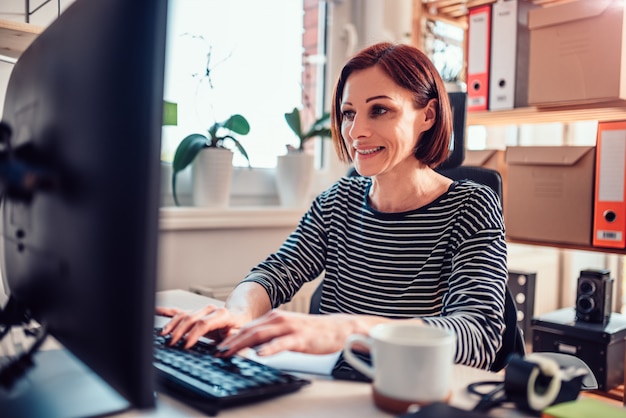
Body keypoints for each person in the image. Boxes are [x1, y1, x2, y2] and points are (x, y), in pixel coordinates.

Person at [157, 41, 507, 371]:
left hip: (409, 393)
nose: (356, 131)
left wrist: (346, 330)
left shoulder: (472, 206)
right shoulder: (338, 201)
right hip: (332, 389)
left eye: (380, 110)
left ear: (427, 116)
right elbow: (275, 272)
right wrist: (239, 312)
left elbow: (478, 335)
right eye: (349, 113)